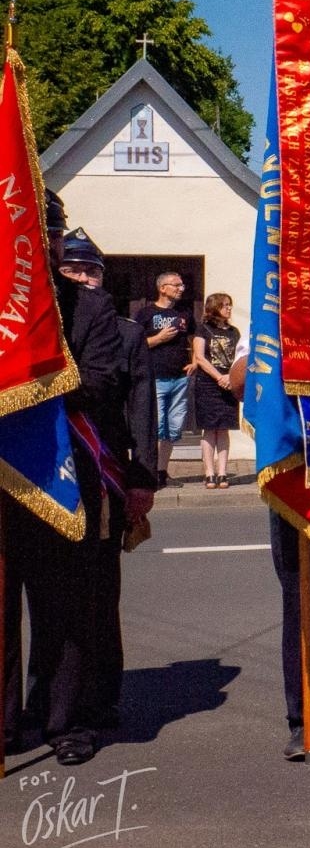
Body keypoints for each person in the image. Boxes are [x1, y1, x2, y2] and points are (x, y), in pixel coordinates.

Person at [5, 193, 140, 765]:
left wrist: (29, 380)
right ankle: (7, 727)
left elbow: (103, 382)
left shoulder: (90, 309)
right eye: (38, 232)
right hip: (2, 479)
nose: (49, 243)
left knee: (64, 609)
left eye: (54, 234)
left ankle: (67, 722)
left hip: (64, 475)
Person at [57, 227, 159, 735]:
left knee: (99, 592)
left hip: (105, 473)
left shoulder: (125, 332)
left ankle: (101, 697)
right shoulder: (47, 329)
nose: (83, 278)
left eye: (91, 270)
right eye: (72, 270)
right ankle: (47, 698)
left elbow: (141, 408)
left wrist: (143, 476)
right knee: (54, 595)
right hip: (52, 471)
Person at [135, 270, 195, 488]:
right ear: (162, 288)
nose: (181, 288)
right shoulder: (145, 314)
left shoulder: (185, 313)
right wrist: (158, 338)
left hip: (180, 377)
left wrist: (195, 360)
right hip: (156, 377)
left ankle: (162, 472)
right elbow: (137, 345)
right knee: (157, 427)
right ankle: (149, 473)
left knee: (174, 427)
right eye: (176, 285)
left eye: (182, 285)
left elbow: (195, 338)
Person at [190, 293, 241, 489]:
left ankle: (222, 472)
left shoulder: (234, 332)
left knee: (224, 428)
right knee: (210, 428)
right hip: (208, 384)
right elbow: (200, 357)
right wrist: (219, 377)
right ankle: (209, 473)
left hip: (229, 383)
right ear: (214, 308)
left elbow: (239, 356)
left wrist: (230, 377)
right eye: (225, 305)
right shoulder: (203, 329)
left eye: (230, 305)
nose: (229, 308)